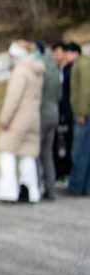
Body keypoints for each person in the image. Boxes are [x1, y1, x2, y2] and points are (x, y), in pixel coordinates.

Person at [0, 40, 44, 203]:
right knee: (28, 155)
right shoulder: (37, 70)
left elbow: (13, 99)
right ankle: (31, 192)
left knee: (6, 152)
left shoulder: (20, 71)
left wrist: (4, 119)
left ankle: (8, 191)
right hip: (33, 118)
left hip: (18, 119)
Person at [36, 43, 61, 199]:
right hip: (54, 113)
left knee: (35, 154)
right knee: (48, 153)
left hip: (40, 114)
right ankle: (50, 189)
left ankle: (35, 188)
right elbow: (59, 94)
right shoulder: (54, 68)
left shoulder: (39, 68)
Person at [66, 42, 90, 196]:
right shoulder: (81, 64)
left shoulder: (82, 65)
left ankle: (76, 185)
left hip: (83, 115)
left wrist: (81, 112)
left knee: (79, 151)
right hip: (84, 112)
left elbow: (85, 89)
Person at [52, 41, 73, 182]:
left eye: (57, 52)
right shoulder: (56, 69)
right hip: (57, 111)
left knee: (69, 142)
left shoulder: (71, 70)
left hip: (69, 111)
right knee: (58, 144)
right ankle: (59, 173)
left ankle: (67, 173)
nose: (55, 55)